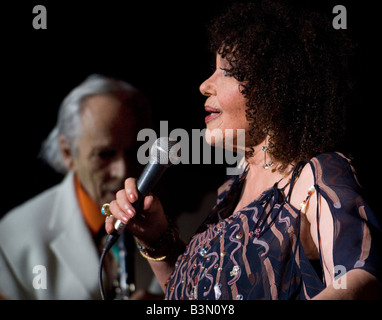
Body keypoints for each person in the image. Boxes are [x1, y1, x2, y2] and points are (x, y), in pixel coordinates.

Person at [105, 1, 381, 300]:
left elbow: (360, 281)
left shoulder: (316, 175)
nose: (204, 85)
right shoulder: (230, 192)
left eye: (227, 71)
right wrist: (156, 239)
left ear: (276, 87)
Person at [0, 74, 160, 299]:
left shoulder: (198, 216)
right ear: (67, 153)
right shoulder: (12, 239)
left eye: (134, 151)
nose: (123, 171)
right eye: (105, 154)